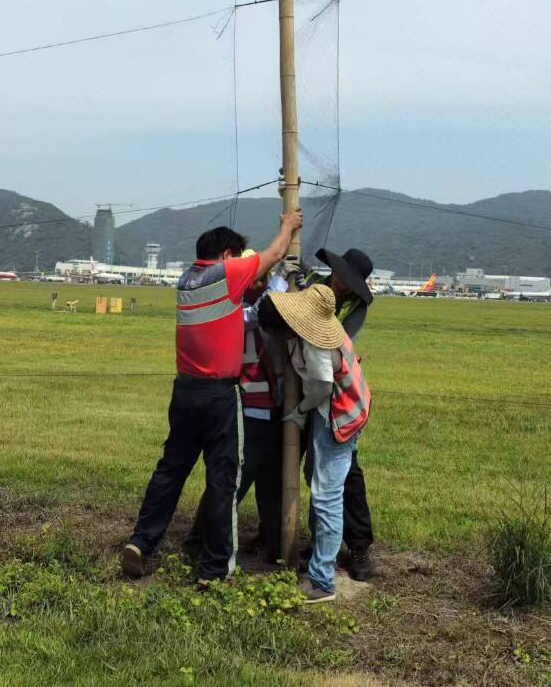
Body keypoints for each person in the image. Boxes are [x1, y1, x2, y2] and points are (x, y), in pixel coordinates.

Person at [122, 212, 302, 583]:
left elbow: (234, 306)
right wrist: (287, 224)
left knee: (171, 470)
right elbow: (273, 254)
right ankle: (216, 567)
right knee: (223, 479)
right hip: (219, 395)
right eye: (236, 255)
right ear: (225, 255)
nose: (241, 262)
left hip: (184, 390)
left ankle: (142, 542)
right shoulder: (228, 274)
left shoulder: (188, 279)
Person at [259, 285, 372, 604]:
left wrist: (299, 411)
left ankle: (322, 581)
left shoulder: (316, 346)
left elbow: (322, 388)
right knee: (318, 480)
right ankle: (324, 555)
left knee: (326, 495)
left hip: (336, 415)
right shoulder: (321, 332)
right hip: (340, 410)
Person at [182, 252, 288, 564]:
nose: (259, 278)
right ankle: (198, 541)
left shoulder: (267, 299)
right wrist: (281, 279)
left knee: (273, 485)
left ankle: (273, 543)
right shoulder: (232, 306)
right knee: (231, 485)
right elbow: (257, 314)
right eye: (256, 272)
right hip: (247, 410)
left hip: (274, 411)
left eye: (263, 273)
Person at [302, 248, 376, 580]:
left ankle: (359, 545)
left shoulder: (355, 308)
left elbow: (337, 345)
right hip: (309, 388)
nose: (340, 283)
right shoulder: (315, 283)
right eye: (340, 275)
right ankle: (320, 542)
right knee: (313, 472)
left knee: (347, 474)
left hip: (337, 394)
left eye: (348, 281)